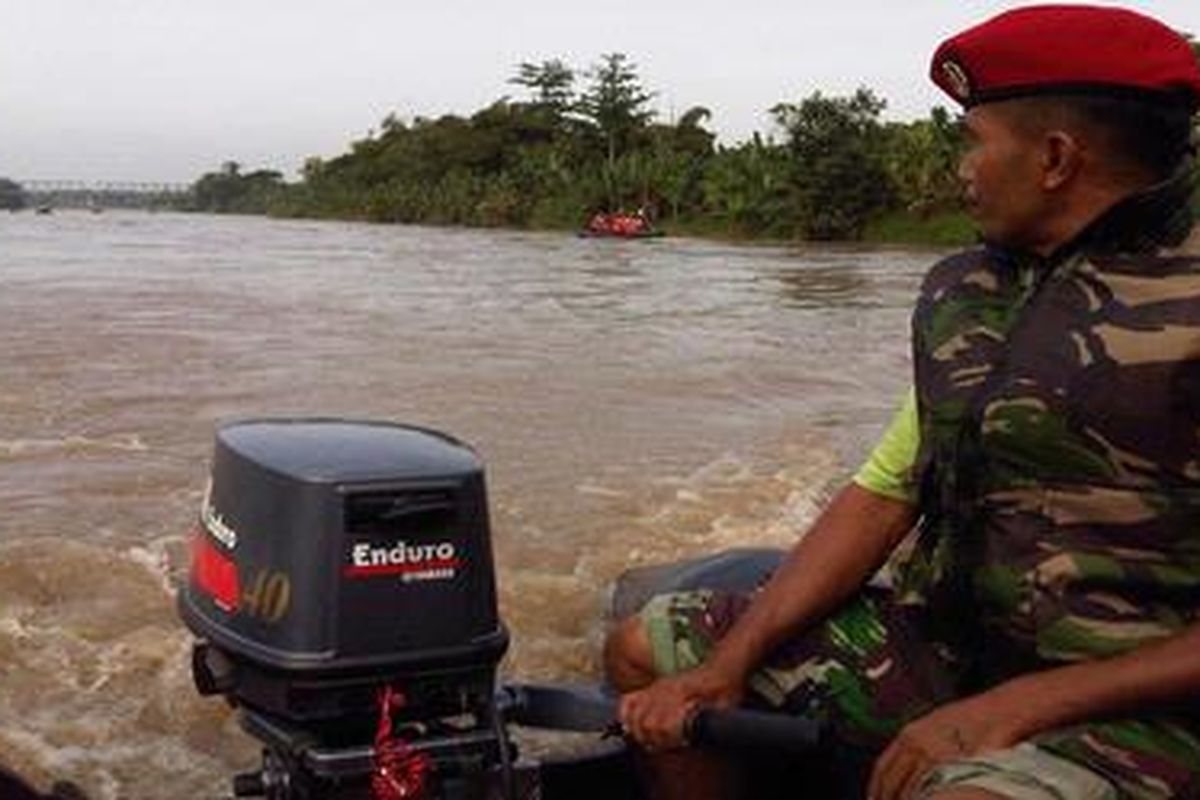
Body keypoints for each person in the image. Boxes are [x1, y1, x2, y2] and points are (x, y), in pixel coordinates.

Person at [603, 6, 1200, 800]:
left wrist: (1027, 702)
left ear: (1055, 158)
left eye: (973, 141)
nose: (961, 168)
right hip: (957, 653)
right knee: (648, 650)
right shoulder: (971, 293)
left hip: (1150, 701)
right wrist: (725, 665)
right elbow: (885, 496)